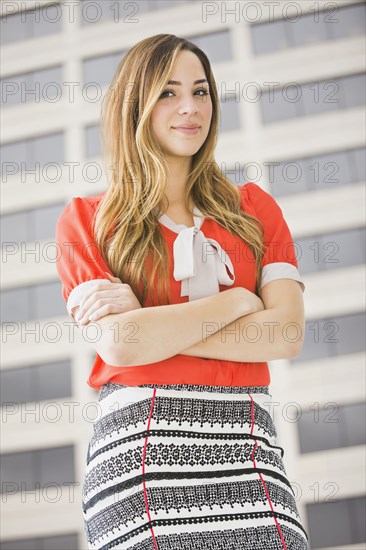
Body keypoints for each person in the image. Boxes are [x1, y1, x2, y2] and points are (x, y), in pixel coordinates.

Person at [56, 33, 309, 550]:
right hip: (142, 450)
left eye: (201, 90)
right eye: (168, 93)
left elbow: (284, 334)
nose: (190, 108)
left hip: (250, 448)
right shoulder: (86, 220)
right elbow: (120, 345)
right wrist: (239, 303)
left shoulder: (255, 209)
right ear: (136, 104)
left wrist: (150, 322)